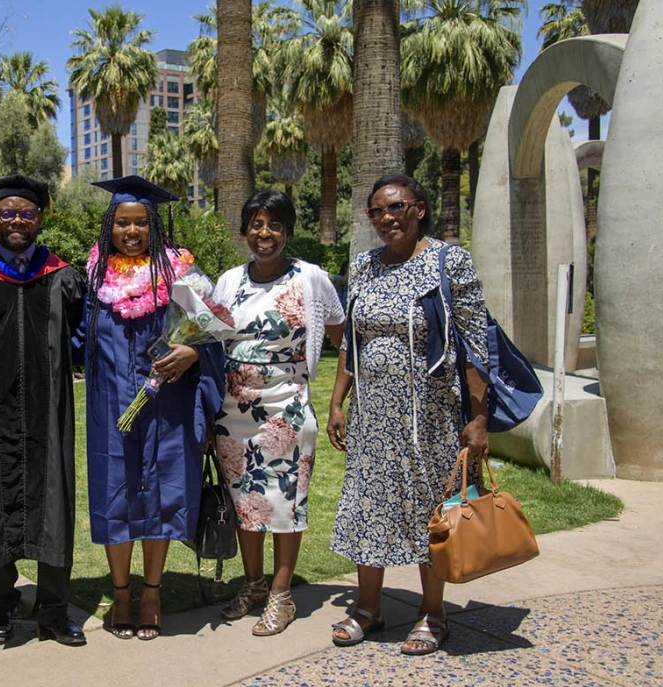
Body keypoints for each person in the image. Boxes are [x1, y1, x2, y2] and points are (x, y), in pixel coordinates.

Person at [327, 173, 490, 655]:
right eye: (376, 211)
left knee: (428, 506)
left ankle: (432, 612)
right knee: (367, 502)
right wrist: (338, 401)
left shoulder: (448, 260)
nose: (385, 218)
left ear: (419, 208)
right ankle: (368, 608)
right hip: (371, 412)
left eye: (395, 208)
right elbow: (351, 343)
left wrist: (479, 420)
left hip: (431, 413)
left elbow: (475, 346)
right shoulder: (363, 266)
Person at [0, 175, 88, 647]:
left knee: (53, 500)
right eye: (7, 213)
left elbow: (87, 341)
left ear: (40, 219)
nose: (17, 221)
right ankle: (1, 606)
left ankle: (53, 610)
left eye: (26, 213)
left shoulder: (63, 277)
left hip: (48, 416)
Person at [83, 176, 225, 641]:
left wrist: (194, 354)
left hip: (168, 407)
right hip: (112, 407)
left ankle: (151, 593)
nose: (131, 230)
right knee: (116, 493)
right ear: (110, 225)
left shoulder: (179, 271)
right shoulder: (94, 274)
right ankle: (120, 593)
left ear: (153, 226)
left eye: (140, 222)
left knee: (161, 494)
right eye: (122, 222)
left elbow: (213, 330)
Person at [212, 191, 346, 636]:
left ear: (288, 230)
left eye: (273, 224)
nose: (263, 233)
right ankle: (253, 585)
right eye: (255, 223)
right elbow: (210, 338)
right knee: (245, 500)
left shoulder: (311, 279)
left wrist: (337, 400)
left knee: (285, 499)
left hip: (287, 406)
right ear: (245, 229)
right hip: (233, 409)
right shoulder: (229, 280)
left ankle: (282, 595)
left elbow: (342, 336)